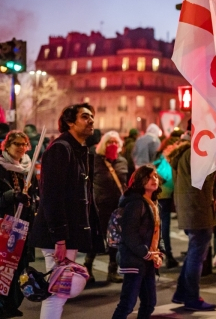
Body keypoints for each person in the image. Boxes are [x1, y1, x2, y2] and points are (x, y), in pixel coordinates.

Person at [30, 103, 105, 319]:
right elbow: (52, 197)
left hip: (66, 235)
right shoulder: (61, 149)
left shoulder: (78, 150)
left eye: (92, 116)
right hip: (58, 236)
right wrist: (60, 239)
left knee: (59, 291)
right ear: (70, 122)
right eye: (85, 117)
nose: (91, 120)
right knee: (57, 292)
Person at [169, 137, 216, 311]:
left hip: (192, 210)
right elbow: (204, 181)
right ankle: (192, 297)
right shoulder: (196, 154)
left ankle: (182, 293)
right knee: (197, 256)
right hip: (198, 210)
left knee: (194, 254)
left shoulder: (185, 154)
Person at [111, 165, 164, 319]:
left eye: (155, 176)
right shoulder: (136, 203)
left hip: (148, 259)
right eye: (149, 177)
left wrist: (160, 253)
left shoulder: (153, 202)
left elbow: (157, 233)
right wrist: (146, 253)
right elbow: (129, 234)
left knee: (149, 303)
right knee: (127, 304)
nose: (154, 179)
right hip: (135, 259)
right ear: (140, 181)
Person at [0, 131, 36, 318]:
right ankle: (2, 305)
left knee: (20, 266)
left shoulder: (27, 168)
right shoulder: (1, 168)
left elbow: (36, 193)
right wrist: (11, 196)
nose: (22, 148)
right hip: (4, 226)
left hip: (24, 226)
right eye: (17, 144)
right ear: (7, 146)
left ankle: (12, 303)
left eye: (25, 144)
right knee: (4, 266)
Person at [84, 130, 128, 284]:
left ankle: (112, 270)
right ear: (103, 144)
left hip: (117, 207)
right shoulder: (95, 160)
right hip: (99, 206)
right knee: (97, 238)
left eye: (116, 142)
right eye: (110, 142)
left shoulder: (122, 161)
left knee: (114, 239)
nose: (113, 145)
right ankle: (87, 268)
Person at [152, 136, 179, 269]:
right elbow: (165, 177)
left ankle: (163, 255)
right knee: (163, 227)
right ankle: (167, 255)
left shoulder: (159, 158)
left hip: (161, 196)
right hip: (163, 196)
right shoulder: (166, 160)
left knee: (160, 227)